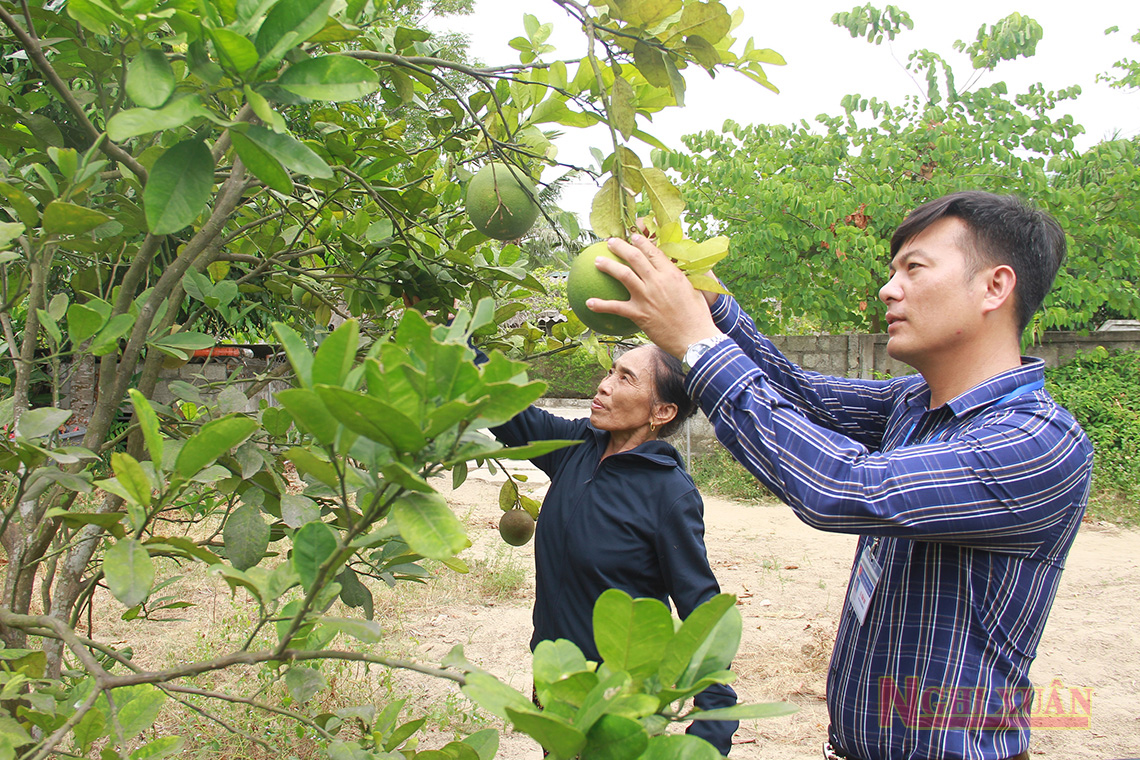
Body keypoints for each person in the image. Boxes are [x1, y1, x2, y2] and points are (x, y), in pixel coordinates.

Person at [582, 191, 1095, 760]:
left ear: (995, 287)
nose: (888, 288)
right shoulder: (916, 405)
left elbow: (843, 487)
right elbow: (801, 394)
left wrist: (696, 344)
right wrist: (711, 305)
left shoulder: (1035, 444)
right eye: (892, 269)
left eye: (914, 268)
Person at [484, 343, 739, 754]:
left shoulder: (669, 494)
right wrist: (454, 338)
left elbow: (702, 612)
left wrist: (710, 735)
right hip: (557, 677)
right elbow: (509, 414)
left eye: (625, 378)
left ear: (662, 412)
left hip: (618, 697)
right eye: (610, 372)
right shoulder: (579, 447)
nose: (602, 386)